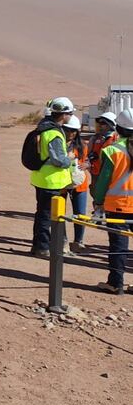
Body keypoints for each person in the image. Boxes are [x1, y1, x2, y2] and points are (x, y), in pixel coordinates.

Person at [92, 108, 133, 295]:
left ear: (119, 128)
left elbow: (103, 180)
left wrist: (98, 201)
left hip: (118, 206)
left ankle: (115, 283)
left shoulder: (112, 151)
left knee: (118, 247)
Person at [28, 97, 74, 257]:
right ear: (64, 115)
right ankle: (42, 247)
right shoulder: (53, 133)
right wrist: (70, 158)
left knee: (41, 214)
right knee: (47, 216)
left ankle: (38, 246)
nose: (71, 116)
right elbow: (58, 160)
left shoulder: (43, 128)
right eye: (70, 113)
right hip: (51, 181)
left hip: (41, 179)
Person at [63, 115, 90, 254]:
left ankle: (78, 241)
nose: (71, 133)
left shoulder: (82, 145)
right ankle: (63, 241)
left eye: (74, 131)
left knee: (80, 214)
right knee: (59, 214)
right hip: (61, 184)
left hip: (79, 184)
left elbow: (91, 160)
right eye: (68, 130)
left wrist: (87, 164)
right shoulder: (58, 143)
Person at [89, 112, 118, 188]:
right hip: (96, 173)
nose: (100, 125)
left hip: (108, 174)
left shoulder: (116, 139)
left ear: (110, 125)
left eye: (103, 123)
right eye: (99, 123)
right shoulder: (96, 138)